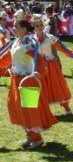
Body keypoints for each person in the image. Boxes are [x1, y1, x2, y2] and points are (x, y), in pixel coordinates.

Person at [0, 19, 58, 149]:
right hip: (16, 80)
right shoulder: (16, 41)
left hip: (27, 80)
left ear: (24, 29)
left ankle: (37, 139)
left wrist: (39, 72)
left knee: (29, 110)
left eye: (16, 26)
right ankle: (30, 135)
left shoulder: (28, 42)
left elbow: (40, 60)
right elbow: (7, 58)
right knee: (17, 109)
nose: (13, 28)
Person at [32, 15, 73, 115]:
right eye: (36, 26)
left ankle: (67, 107)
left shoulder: (50, 38)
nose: (39, 27)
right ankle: (44, 110)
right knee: (42, 88)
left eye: (40, 25)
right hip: (39, 68)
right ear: (33, 27)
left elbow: (62, 48)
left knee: (57, 86)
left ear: (43, 26)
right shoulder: (31, 40)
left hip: (51, 66)